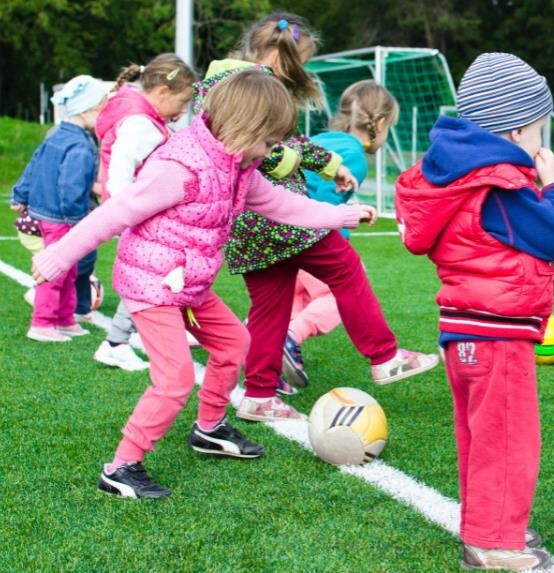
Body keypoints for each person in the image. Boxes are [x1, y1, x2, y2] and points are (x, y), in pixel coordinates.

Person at [31, 70, 377, 499]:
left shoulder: (239, 165)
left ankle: (209, 429)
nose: (273, 153)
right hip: (152, 285)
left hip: (188, 284)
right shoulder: (179, 167)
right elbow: (114, 213)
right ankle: (120, 467)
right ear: (245, 128)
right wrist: (58, 257)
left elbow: (280, 204)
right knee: (175, 379)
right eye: (270, 143)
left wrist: (341, 215)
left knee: (235, 343)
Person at [194, 13, 438, 422]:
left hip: (247, 224)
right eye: (299, 63)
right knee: (345, 268)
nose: (300, 72)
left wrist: (330, 166)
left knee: (271, 305)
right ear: (277, 55)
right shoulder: (249, 86)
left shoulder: (223, 81)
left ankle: (258, 395)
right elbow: (262, 150)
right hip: (277, 215)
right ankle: (384, 356)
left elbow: (287, 141)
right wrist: (298, 167)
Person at [394, 53, 554, 571]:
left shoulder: (462, 178)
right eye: (540, 130)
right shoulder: (499, 184)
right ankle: (494, 544)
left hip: (467, 331)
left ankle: (488, 526)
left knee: (481, 439)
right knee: (508, 441)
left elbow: (487, 250)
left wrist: (540, 283)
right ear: (516, 129)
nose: (543, 143)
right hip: (496, 339)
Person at [281, 80, 400, 390]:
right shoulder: (355, 157)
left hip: (279, 232)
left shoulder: (324, 139)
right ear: (381, 123)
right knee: (339, 294)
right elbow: (322, 201)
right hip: (308, 237)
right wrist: (345, 218)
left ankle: (261, 352)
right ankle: (290, 339)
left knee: (289, 300)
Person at [91, 53, 198, 372]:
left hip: (140, 212)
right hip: (139, 215)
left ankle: (132, 335)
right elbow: (121, 173)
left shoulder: (143, 116)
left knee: (160, 272)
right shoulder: (141, 124)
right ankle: (115, 342)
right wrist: (130, 211)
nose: (181, 114)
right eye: (182, 102)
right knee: (151, 275)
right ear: (162, 93)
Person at [11, 75, 109, 343]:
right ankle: (42, 323)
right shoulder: (79, 144)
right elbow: (71, 185)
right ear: (87, 110)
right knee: (56, 269)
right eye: (102, 109)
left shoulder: (57, 135)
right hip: (62, 217)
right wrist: (77, 220)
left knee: (69, 269)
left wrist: (20, 193)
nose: (104, 116)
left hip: (49, 213)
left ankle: (64, 319)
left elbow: (34, 164)